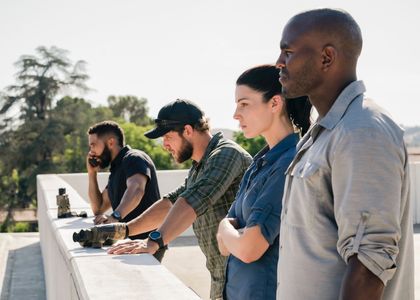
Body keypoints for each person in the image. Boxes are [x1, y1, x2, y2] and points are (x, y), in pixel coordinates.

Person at [275, 8, 414, 300]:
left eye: (287, 52)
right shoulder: (323, 133)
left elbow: (369, 263)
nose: (279, 63)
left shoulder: (362, 131)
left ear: (326, 57)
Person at [106, 99, 252, 300]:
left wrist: (154, 240)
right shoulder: (199, 166)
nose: (164, 145)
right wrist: (124, 230)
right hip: (222, 278)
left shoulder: (227, 154)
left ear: (188, 130)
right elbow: (172, 202)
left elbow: (192, 201)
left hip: (246, 279)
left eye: (167, 136)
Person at [216, 65, 311, 300]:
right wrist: (231, 234)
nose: (236, 114)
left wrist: (223, 227)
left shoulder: (288, 163)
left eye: (244, 104)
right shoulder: (260, 162)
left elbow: (249, 249)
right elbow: (223, 246)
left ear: (275, 103)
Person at [86, 121, 165, 261]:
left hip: (147, 243)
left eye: (93, 145)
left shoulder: (133, 158)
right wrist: (92, 174)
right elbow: (98, 208)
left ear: (110, 142)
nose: (91, 151)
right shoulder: (117, 169)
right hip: (129, 243)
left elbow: (136, 189)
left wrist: (115, 216)